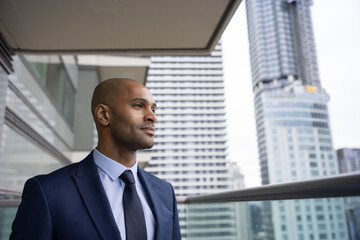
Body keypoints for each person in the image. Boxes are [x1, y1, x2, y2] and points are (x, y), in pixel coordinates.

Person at [10, 78, 181, 240]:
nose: (153, 117)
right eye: (138, 105)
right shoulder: (47, 192)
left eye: (153, 109)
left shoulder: (165, 192)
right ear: (104, 115)